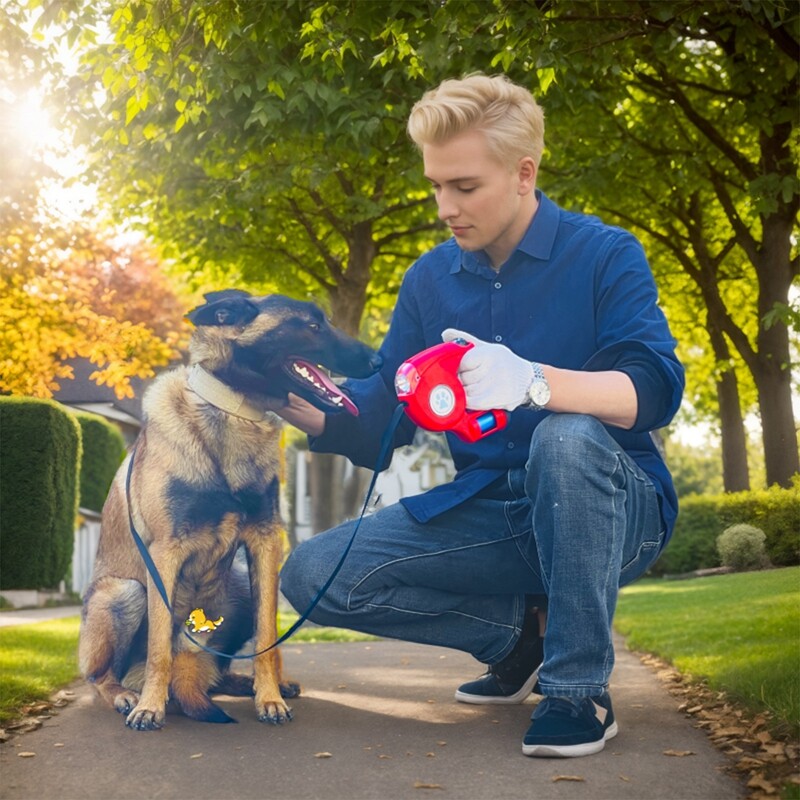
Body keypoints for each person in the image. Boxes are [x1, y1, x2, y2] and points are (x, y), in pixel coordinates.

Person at [276, 73, 684, 758]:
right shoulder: (429, 282)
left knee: (566, 437)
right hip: (495, 511)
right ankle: (519, 638)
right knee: (311, 576)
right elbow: (388, 408)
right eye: (436, 186)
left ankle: (578, 686)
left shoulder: (605, 255)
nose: (444, 206)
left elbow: (653, 390)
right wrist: (303, 405)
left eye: (464, 187)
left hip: (617, 508)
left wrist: (534, 382)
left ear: (524, 174)